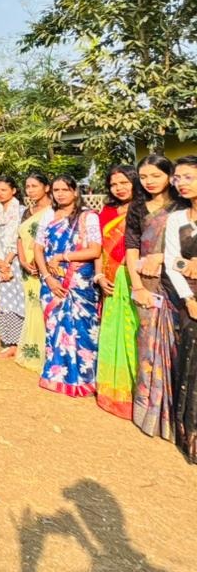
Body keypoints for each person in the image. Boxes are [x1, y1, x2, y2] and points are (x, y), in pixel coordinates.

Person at [125, 155, 181, 441]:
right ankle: (148, 413)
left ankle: (176, 418)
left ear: (169, 175)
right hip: (146, 283)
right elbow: (131, 247)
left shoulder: (183, 207)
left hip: (178, 284)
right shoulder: (137, 208)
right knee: (148, 347)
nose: (149, 182)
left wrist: (162, 257)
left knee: (176, 347)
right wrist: (137, 286)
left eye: (155, 176)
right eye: (144, 177)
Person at [34, 175, 102, 397]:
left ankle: (84, 379)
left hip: (80, 283)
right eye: (56, 190)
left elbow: (94, 250)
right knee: (56, 328)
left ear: (75, 191)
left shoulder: (87, 217)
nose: (60, 193)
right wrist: (48, 278)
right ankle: (56, 375)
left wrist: (63, 256)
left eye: (65, 189)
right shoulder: (48, 216)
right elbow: (38, 250)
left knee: (82, 330)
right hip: (53, 282)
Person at [95, 164, 141, 420]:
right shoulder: (108, 211)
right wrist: (100, 275)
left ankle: (137, 393)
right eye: (114, 184)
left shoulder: (145, 209)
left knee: (133, 331)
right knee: (112, 332)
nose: (119, 188)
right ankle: (112, 392)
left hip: (136, 279)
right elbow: (100, 246)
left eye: (124, 182)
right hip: (110, 279)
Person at [165, 156, 197, 463]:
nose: (181, 183)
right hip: (191, 301)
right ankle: (190, 437)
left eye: (188, 176)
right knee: (191, 367)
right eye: (178, 178)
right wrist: (188, 298)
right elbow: (172, 262)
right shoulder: (177, 219)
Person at [15, 173, 53, 373]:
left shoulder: (54, 211)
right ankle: (31, 351)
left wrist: (41, 263)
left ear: (47, 187)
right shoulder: (27, 211)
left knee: (45, 307)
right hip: (27, 269)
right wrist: (22, 260)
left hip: (45, 267)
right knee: (32, 307)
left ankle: (47, 355)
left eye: (35, 186)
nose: (30, 190)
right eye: (28, 186)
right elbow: (20, 237)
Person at [0, 175, 26, 358]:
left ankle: (21, 341)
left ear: (14, 191)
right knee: (3, 302)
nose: (0, 193)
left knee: (19, 300)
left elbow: (20, 238)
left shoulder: (21, 211)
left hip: (15, 263)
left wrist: (8, 262)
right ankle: (9, 341)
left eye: (4, 190)